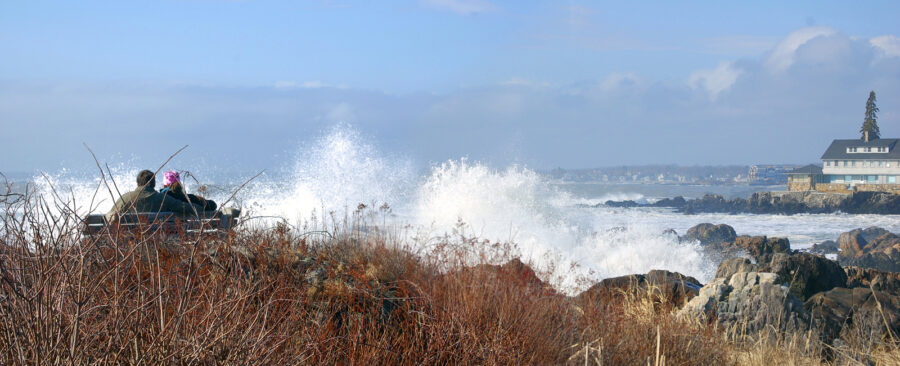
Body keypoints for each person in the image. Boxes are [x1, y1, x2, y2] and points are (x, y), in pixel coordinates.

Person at [106, 170, 203, 221]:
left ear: (137, 184)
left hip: (130, 242)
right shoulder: (163, 199)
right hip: (160, 242)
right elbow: (191, 208)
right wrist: (201, 204)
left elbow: (109, 216)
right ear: (154, 184)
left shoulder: (125, 198)